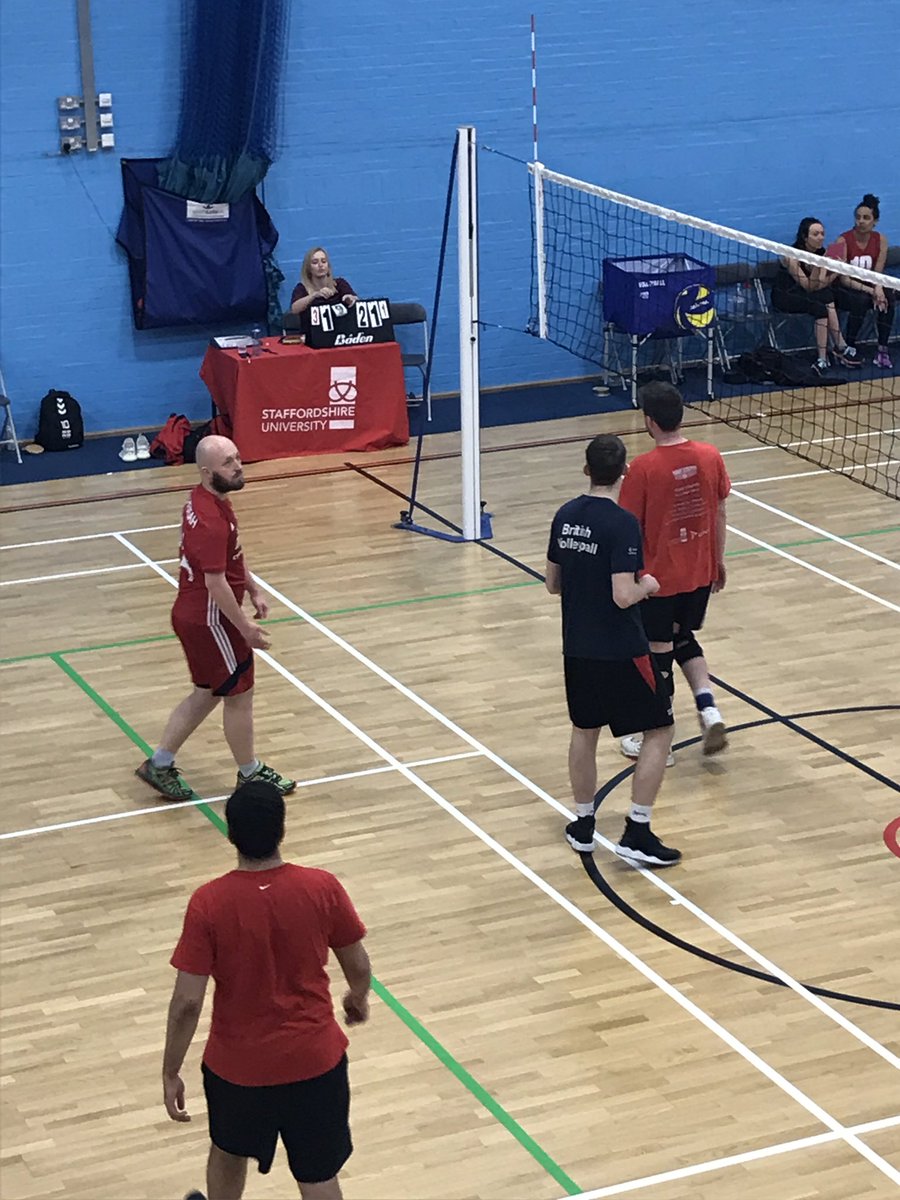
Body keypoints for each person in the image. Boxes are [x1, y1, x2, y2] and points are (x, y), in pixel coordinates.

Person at [164, 779, 371, 1200]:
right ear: (282, 829)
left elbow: (187, 1001)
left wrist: (171, 1070)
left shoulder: (209, 903)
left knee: (227, 1151)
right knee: (317, 1173)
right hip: (316, 1061)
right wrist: (357, 997)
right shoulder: (321, 887)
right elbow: (358, 964)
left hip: (238, 1069)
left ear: (230, 833)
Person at [136, 435, 296, 802]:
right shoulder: (210, 520)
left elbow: (232, 559)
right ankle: (250, 774)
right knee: (239, 695)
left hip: (194, 617)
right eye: (228, 462)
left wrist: (253, 588)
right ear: (208, 472)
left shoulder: (206, 499)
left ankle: (159, 763)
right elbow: (215, 581)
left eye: (237, 457)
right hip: (212, 621)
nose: (238, 466)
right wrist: (245, 627)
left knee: (206, 693)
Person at [546, 434, 680, 867]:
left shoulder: (565, 516)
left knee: (584, 732)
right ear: (623, 473)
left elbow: (553, 583)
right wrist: (649, 586)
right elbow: (623, 594)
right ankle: (637, 830)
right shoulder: (622, 523)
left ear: (586, 469)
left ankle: (583, 824)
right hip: (622, 651)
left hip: (578, 648)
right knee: (660, 730)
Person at [617, 383, 731, 766]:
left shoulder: (643, 469)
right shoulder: (710, 455)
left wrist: (626, 579)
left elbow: (628, 528)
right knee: (685, 638)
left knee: (658, 651)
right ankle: (709, 708)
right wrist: (718, 561)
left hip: (658, 580)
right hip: (700, 571)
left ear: (649, 421)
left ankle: (657, 738)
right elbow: (719, 511)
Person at [770, 217, 861, 373]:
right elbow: (809, 286)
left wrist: (836, 271)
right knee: (821, 303)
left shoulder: (822, 252)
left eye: (822, 234)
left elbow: (821, 284)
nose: (821, 237)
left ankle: (827, 356)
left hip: (808, 294)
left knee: (826, 296)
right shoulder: (792, 256)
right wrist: (822, 265)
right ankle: (835, 349)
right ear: (805, 238)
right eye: (816, 234)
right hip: (785, 296)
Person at [832, 193, 895, 369]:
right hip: (845, 288)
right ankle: (848, 346)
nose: (861, 221)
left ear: (875, 221)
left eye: (866, 218)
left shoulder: (881, 239)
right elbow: (843, 279)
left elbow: (878, 272)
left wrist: (879, 288)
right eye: (858, 217)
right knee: (861, 300)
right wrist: (872, 291)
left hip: (870, 285)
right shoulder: (842, 240)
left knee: (888, 299)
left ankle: (882, 349)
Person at [290, 247, 358, 316]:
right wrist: (314, 295)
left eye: (323, 261)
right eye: (315, 262)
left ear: (328, 266)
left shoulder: (340, 283)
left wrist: (349, 298)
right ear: (308, 268)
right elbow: (294, 309)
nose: (320, 265)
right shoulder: (301, 288)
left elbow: (355, 299)